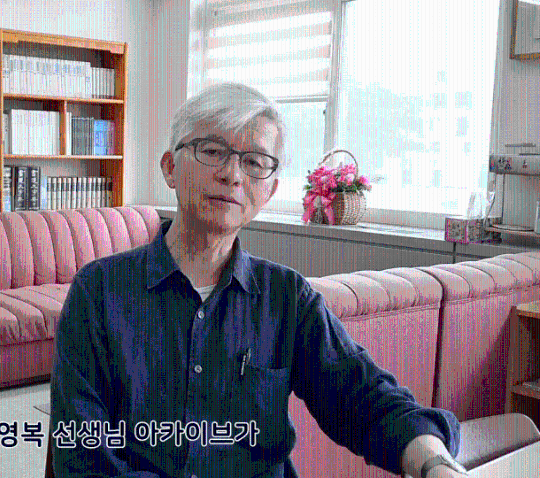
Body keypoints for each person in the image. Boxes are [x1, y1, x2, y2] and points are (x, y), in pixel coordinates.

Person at [50, 82, 467, 478]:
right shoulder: (99, 292)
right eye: (212, 151)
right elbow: (82, 457)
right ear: (170, 168)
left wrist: (435, 464)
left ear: (269, 190)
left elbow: (364, 398)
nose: (232, 175)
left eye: (254, 163)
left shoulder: (288, 298)